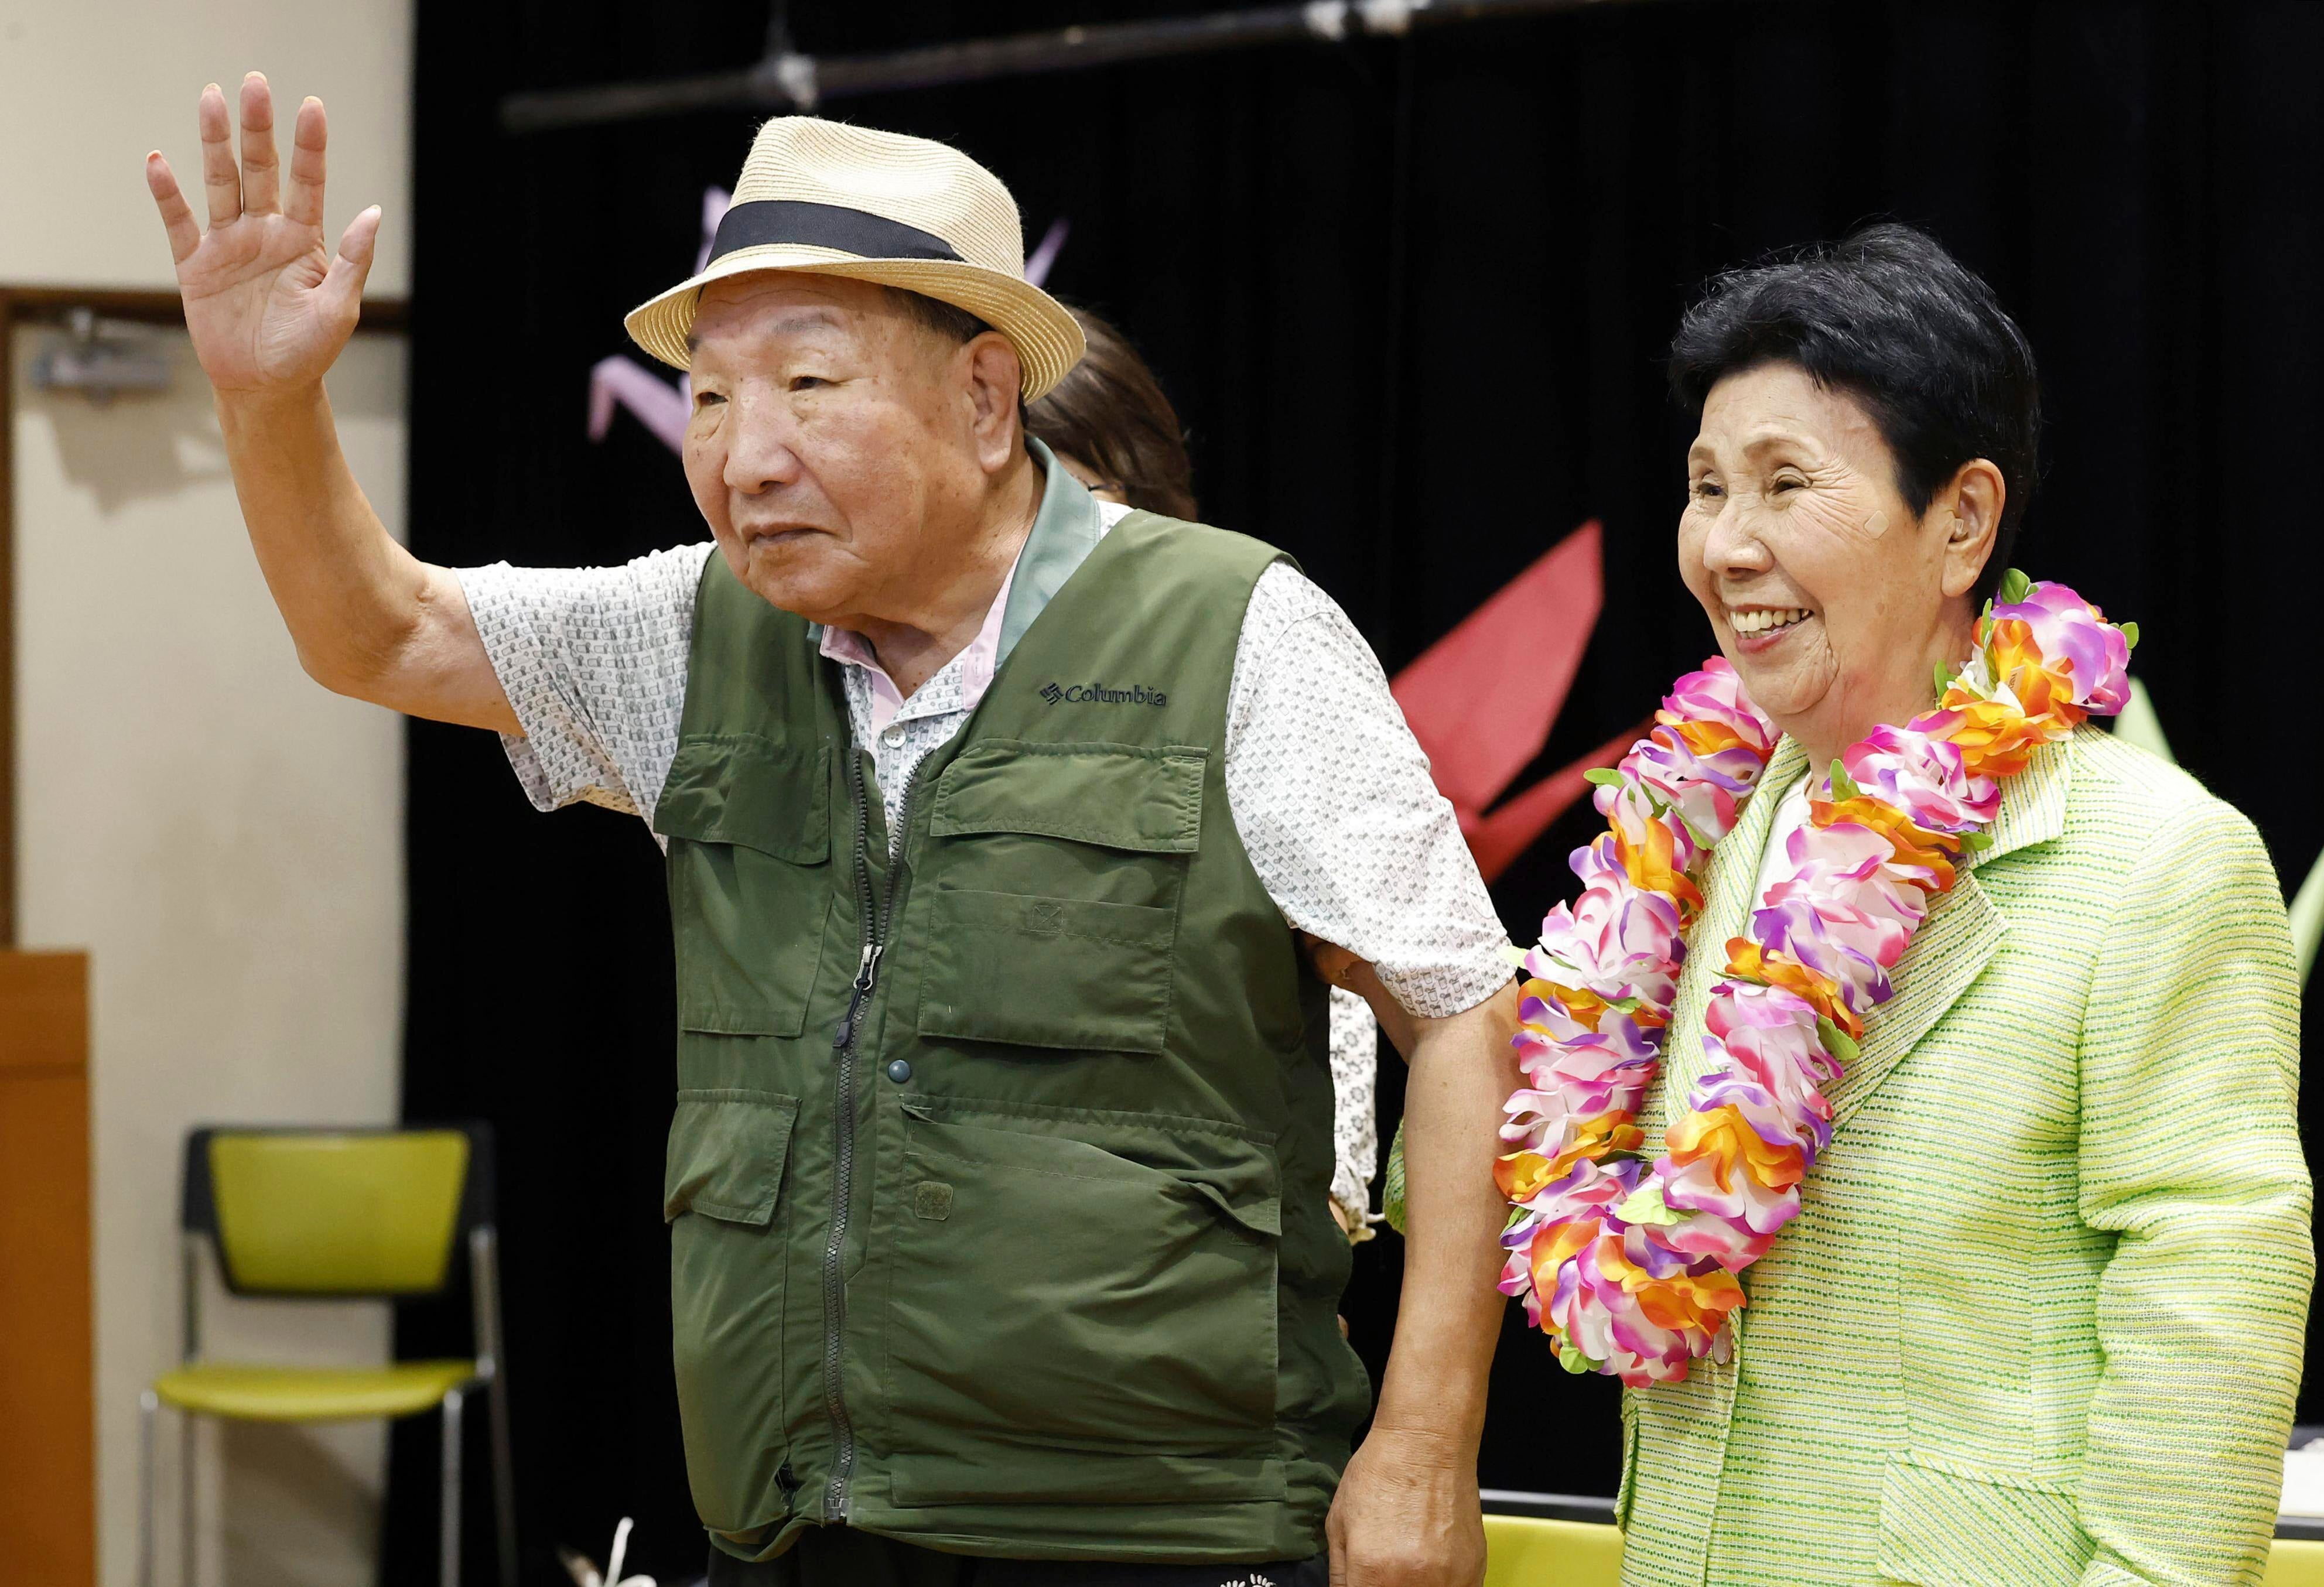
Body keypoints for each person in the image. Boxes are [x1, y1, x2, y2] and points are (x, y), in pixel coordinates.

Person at [145, 78, 1520, 1587]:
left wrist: (1422, 1440)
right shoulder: (694, 630)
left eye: (808, 386)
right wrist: (270, 398)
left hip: (1155, 1538)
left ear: (986, 399)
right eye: (713, 398)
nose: (742, 455)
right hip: (802, 1527)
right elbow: (384, 634)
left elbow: (1459, 1013)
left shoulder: (1235, 628)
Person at [1598, 224, 2311, 1583]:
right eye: (1704, 487)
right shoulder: (1687, 841)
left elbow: (2214, 1291)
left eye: (1782, 484)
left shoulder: (2157, 858)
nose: (1726, 546)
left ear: (1962, 520)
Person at [1026, 303, 1387, 1243]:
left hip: (1208, 1267)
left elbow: (1354, 961)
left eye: (1074, 497)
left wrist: (1330, 1199)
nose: (1035, 540)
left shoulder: (1249, 642)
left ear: (1145, 491)